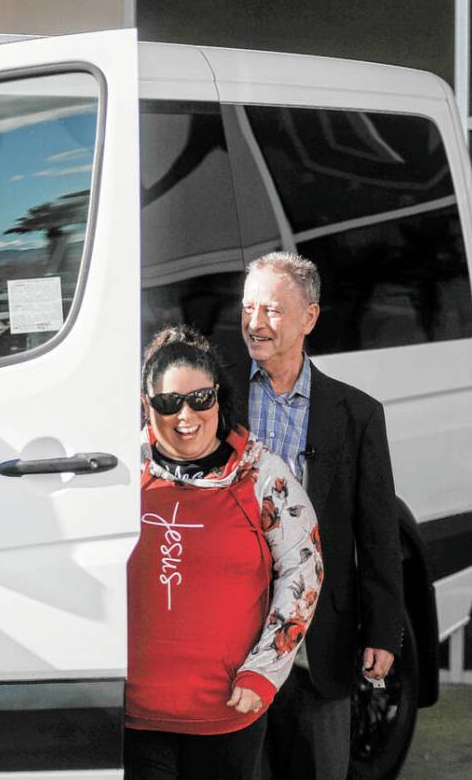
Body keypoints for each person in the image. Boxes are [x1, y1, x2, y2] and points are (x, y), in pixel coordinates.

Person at [226, 252, 405, 780]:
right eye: (247, 308)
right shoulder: (215, 402)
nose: (255, 324)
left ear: (309, 317)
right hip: (231, 643)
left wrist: (383, 631)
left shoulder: (357, 414)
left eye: (273, 311)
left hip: (318, 642)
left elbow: (377, 533)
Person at [126, 325, 323, 780]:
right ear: (145, 406)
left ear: (219, 397)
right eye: (167, 403)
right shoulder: (119, 474)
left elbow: (304, 569)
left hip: (228, 710)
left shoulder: (261, 476)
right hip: (135, 715)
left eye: (200, 399)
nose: (186, 416)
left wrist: (265, 672)